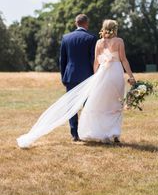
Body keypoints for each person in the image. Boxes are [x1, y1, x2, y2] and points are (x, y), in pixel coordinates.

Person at [16, 19, 136, 148]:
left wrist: (95, 77)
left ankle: (93, 134)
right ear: (115, 28)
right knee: (115, 103)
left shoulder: (95, 41)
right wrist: (131, 76)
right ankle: (114, 134)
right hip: (115, 74)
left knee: (98, 105)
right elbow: (123, 59)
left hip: (96, 74)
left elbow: (94, 62)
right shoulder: (115, 41)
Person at [60, 14, 97, 141]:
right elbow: (94, 59)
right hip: (87, 76)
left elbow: (62, 61)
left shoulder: (66, 38)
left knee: (71, 105)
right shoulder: (92, 38)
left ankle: (74, 134)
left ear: (76, 23)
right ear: (86, 23)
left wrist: (63, 77)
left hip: (70, 76)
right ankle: (86, 130)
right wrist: (96, 76)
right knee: (88, 105)